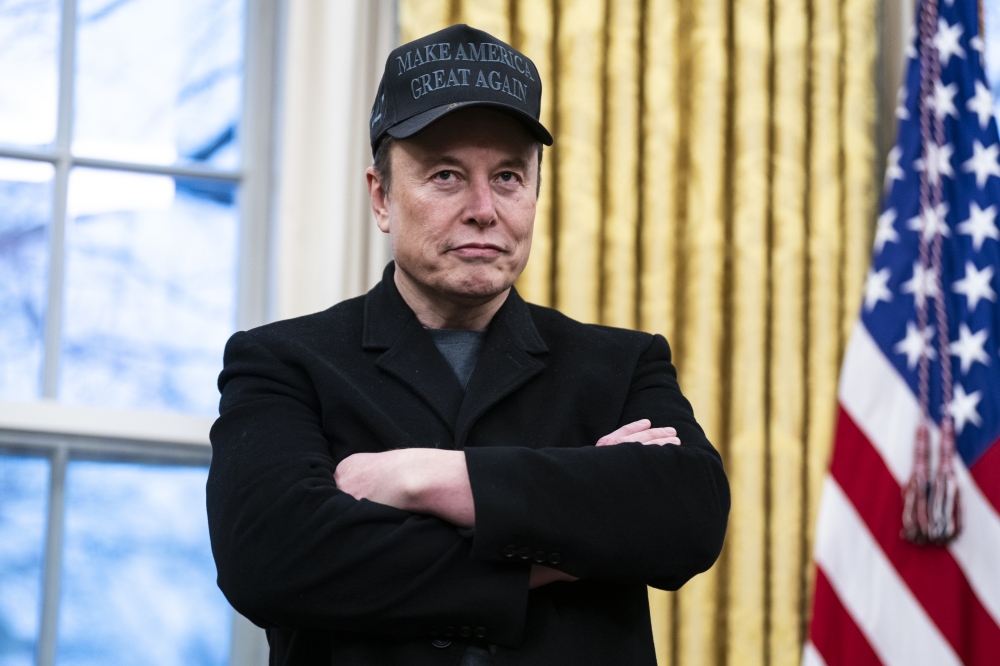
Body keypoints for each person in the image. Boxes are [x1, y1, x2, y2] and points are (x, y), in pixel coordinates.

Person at [207, 24, 729, 666]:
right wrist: (569, 546)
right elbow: (270, 559)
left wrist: (421, 478)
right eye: (446, 175)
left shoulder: (622, 364)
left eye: (508, 176)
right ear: (382, 196)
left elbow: (688, 517)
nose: (484, 208)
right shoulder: (282, 362)